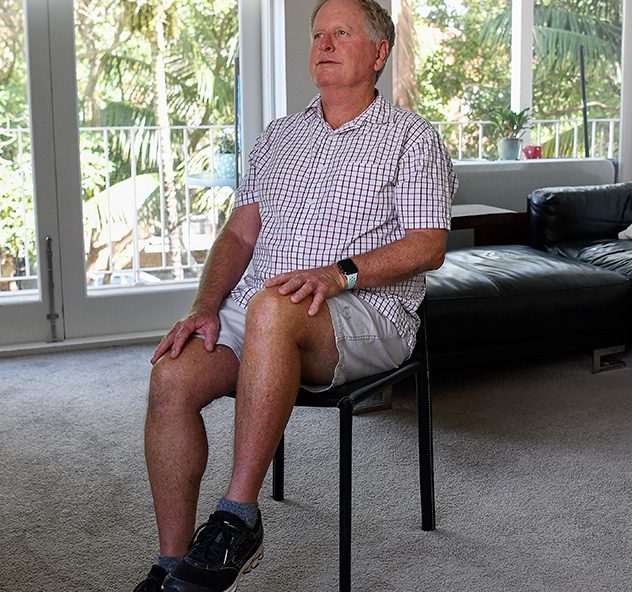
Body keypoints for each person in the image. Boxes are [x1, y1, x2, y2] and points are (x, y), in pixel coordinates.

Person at [134, 1, 456, 590]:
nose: (324, 44)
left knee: (273, 309)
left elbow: (429, 245)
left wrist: (340, 274)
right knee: (171, 377)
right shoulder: (279, 136)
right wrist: (203, 308)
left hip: (364, 310)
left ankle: (238, 516)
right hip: (262, 308)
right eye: (317, 35)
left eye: (341, 33)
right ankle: (175, 566)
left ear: (379, 53)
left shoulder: (413, 138)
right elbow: (239, 232)